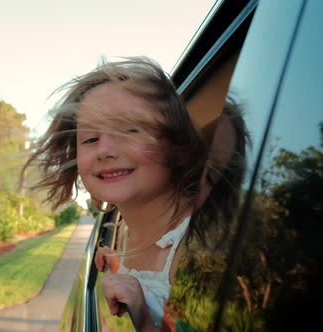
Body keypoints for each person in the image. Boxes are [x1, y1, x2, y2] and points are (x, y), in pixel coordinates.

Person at [23, 57, 208, 331]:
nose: (104, 150)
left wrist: (143, 321)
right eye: (90, 139)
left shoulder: (202, 247)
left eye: (129, 129)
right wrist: (116, 263)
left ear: (174, 141)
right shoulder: (122, 237)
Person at [96, 97, 251, 332]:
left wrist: (143, 317)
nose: (193, 180)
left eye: (209, 175)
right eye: (188, 157)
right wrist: (113, 260)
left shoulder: (198, 258)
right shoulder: (131, 226)